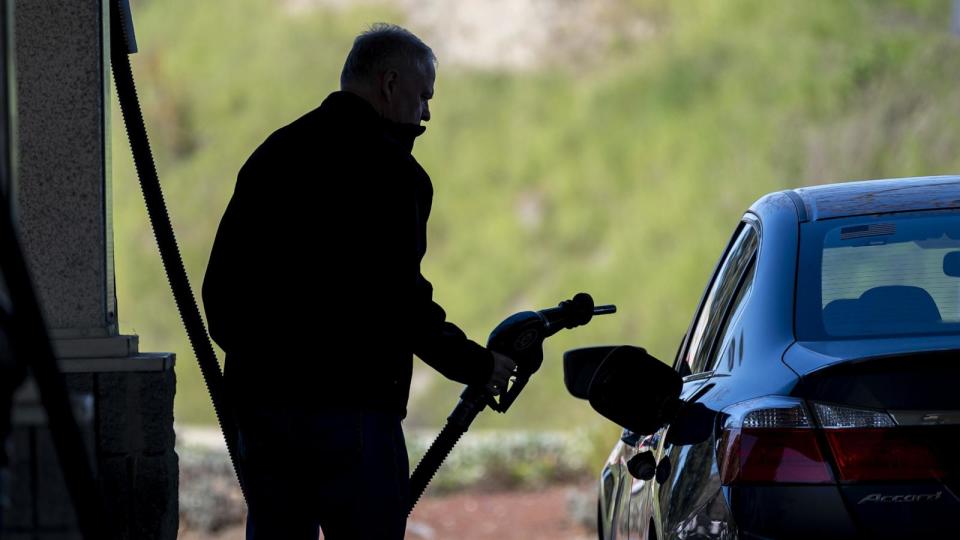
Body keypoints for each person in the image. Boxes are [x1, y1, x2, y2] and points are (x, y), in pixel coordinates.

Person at [201, 23, 516, 540]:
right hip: (353, 416)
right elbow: (400, 301)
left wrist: (263, 375)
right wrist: (477, 364)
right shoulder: (394, 174)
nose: (427, 114)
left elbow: (221, 292)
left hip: (265, 415)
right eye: (423, 96)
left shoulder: (274, 154)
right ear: (390, 85)